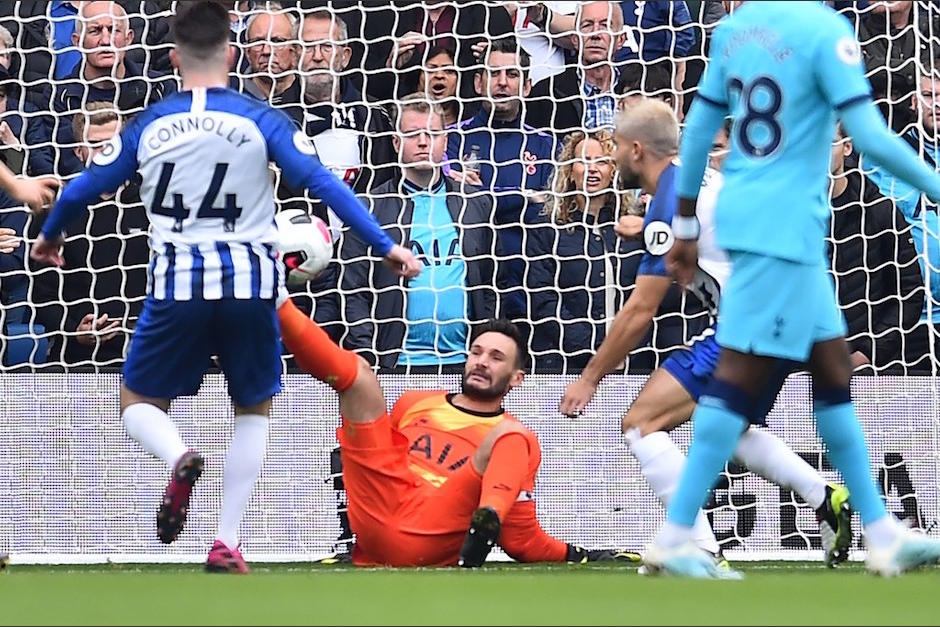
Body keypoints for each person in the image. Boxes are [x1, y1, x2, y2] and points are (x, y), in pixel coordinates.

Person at [30, 1, 420, 574]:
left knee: (138, 402)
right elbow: (322, 183)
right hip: (251, 284)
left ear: (171, 57)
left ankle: (178, 454)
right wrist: (385, 244)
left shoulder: (150, 124)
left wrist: (49, 239)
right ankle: (227, 541)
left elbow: (74, 192)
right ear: (233, 55)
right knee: (253, 406)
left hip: (177, 283)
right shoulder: (261, 120)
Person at [647, 0, 940, 578]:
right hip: (785, 225)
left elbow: (702, 126)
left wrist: (683, 224)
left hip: (761, 219)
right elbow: (871, 138)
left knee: (830, 372)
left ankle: (880, 531)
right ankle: (678, 533)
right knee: (738, 381)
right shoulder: (826, 30)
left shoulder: (731, 31)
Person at [559, 100, 854, 568]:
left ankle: (696, 547)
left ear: (637, 150)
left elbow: (641, 309)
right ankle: (823, 497)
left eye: (614, 147)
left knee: (641, 422)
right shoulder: (700, 180)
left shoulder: (671, 204)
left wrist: (590, 377)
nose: (610, 158)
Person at [277, 295, 638, 567]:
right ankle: (276, 302)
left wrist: (575, 555)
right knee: (359, 376)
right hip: (379, 510)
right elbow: (372, 461)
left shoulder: (513, 438)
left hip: (432, 528)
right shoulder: (414, 401)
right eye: (477, 352)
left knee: (512, 436)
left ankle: (486, 524)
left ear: (517, 379)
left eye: (496, 358)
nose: (481, 361)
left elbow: (522, 539)